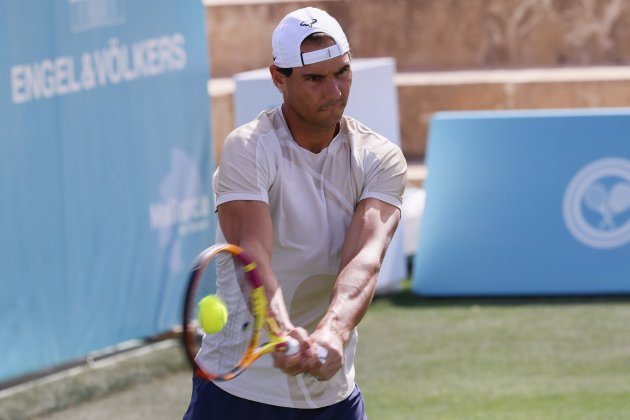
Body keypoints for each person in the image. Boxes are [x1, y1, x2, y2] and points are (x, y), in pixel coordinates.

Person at [183, 6, 407, 419]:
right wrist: (281, 329)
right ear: (278, 79)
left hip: (332, 399)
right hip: (237, 396)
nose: (335, 91)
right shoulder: (249, 148)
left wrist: (334, 333)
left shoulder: (380, 159)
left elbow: (364, 261)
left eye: (342, 72)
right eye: (315, 79)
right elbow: (252, 254)